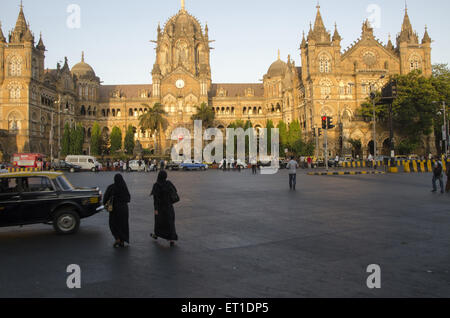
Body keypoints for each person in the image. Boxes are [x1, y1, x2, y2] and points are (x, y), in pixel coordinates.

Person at [150, 171, 178, 247]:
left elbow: (155, 199)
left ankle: (157, 234)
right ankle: (171, 239)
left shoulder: (156, 185)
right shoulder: (168, 183)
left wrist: (156, 209)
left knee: (159, 222)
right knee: (170, 223)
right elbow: (175, 191)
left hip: (160, 208)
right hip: (169, 207)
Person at [103, 174, 131, 248]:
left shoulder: (111, 187)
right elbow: (128, 198)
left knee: (113, 224)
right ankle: (122, 240)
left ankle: (117, 238)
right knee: (123, 225)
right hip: (124, 209)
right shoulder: (124, 187)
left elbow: (105, 198)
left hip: (114, 209)